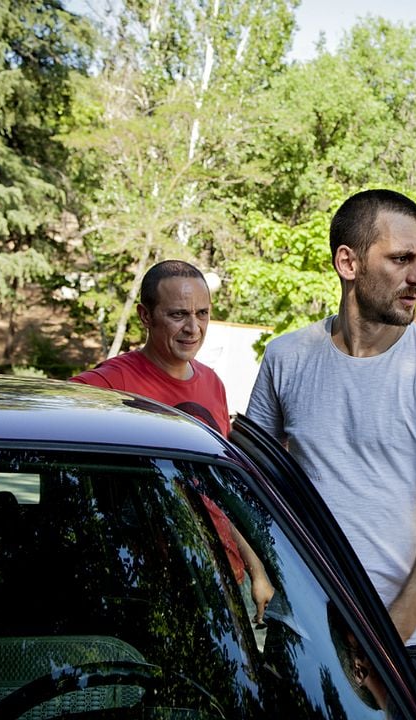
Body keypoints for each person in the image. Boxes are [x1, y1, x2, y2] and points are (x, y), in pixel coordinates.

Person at [246, 189, 416, 720]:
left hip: (409, 638)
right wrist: (262, 570)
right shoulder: (287, 357)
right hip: (302, 628)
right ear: (348, 262)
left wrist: (385, 643)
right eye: (402, 259)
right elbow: (250, 483)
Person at [69, 260, 274, 623]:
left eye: (202, 313)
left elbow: (222, 491)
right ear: (145, 316)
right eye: (178, 314)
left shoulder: (213, 383)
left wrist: (256, 572)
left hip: (224, 577)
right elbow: (43, 414)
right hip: (150, 585)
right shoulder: (112, 383)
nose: (193, 328)